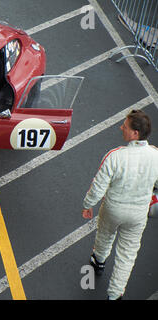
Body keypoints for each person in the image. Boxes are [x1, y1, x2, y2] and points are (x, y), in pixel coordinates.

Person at [82, 109, 158, 300]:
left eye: (125, 126)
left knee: (105, 234)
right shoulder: (156, 155)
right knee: (127, 255)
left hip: (113, 208)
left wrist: (88, 204)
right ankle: (115, 295)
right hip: (139, 213)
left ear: (135, 133)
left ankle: (98, 261)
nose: (121, 127)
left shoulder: (115, 156)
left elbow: (98, 186)